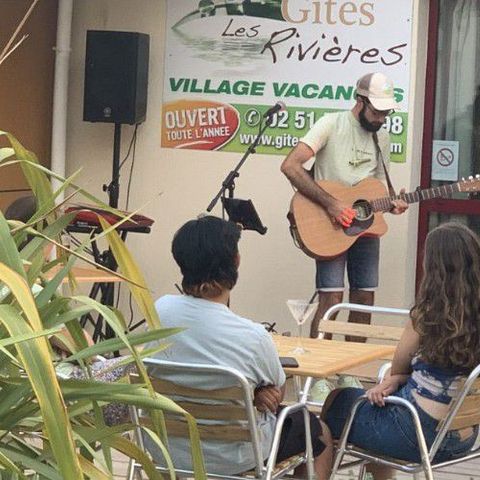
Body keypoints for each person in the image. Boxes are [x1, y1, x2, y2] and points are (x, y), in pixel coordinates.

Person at [145, 215, 333, 477]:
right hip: (233, 458)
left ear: (181, 261)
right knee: (315, 429)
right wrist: (254, 392)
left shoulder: (158, 312)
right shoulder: (254, 337)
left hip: (164, 450)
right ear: (236, 261)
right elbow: (276, 390)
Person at [320, 222, 480, 480]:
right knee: (369, 410)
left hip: (417, 435)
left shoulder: (427, 315)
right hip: (464, 437)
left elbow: (398, 366)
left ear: (434, 269)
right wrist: (398, 380)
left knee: (335, 403)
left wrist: (396, 377)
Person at [281, 72, 408, 340]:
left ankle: (350, 369)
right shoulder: (331, 124)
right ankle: (320, 376)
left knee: (364, 297)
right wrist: (332, 204)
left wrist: (392, 203)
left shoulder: (382, 138)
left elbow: (378, 189)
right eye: (377, 112)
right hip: (329, 225)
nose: (382, 118)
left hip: (365, 228)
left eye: (387, 113)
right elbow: (290, 165)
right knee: (332, 299)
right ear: (360, 100)